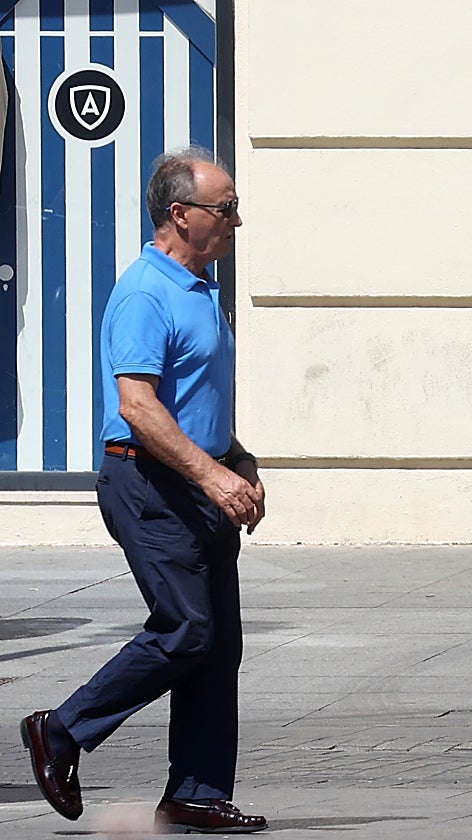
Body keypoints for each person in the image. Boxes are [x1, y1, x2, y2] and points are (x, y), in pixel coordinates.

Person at [19, 146, 268, 833]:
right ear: (181, 215)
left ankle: (195, 791)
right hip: (151, 484)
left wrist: (237, 460)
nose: (237, 221)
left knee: (216, 648)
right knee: (187, 630)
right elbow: (139, 405)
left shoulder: (199, 289)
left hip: (199, 482)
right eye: (227, 209)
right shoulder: (144, 290)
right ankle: (61, 731)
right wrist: (212, 473)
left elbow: (193, 400)